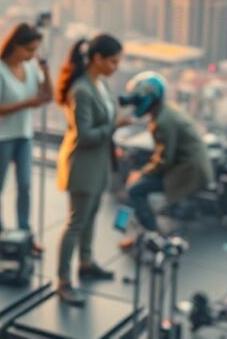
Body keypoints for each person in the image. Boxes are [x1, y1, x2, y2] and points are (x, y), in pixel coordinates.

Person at [54, 34, 133, 306]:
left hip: (98, 165)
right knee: (76, 222)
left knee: (90, 217)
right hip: (83, 166)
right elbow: (85, 134)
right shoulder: (82, 90)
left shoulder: (99, 84)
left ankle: (85, 262)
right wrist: (116, 127)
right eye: (113, 61)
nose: (116, 67)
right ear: (97, 59)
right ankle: (63, 281)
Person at [118, 72, 213, 250]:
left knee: (135, 191)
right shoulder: (166, 110)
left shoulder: (162, 120)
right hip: (189, 167)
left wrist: (141, 173)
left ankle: (153, 236)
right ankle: (142, 233)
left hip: (188, 172)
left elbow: (164, 160)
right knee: (139, 186)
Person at [0, 22, 52, 253]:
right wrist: (26, 104)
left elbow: (46, 97)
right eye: (29, 49)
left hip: (24, 135)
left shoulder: (31, 68)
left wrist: (46, 71)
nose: (32, 54)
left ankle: (25, 232)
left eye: (35, 50)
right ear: (16, 45)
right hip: (1, 137)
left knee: (25, 185)